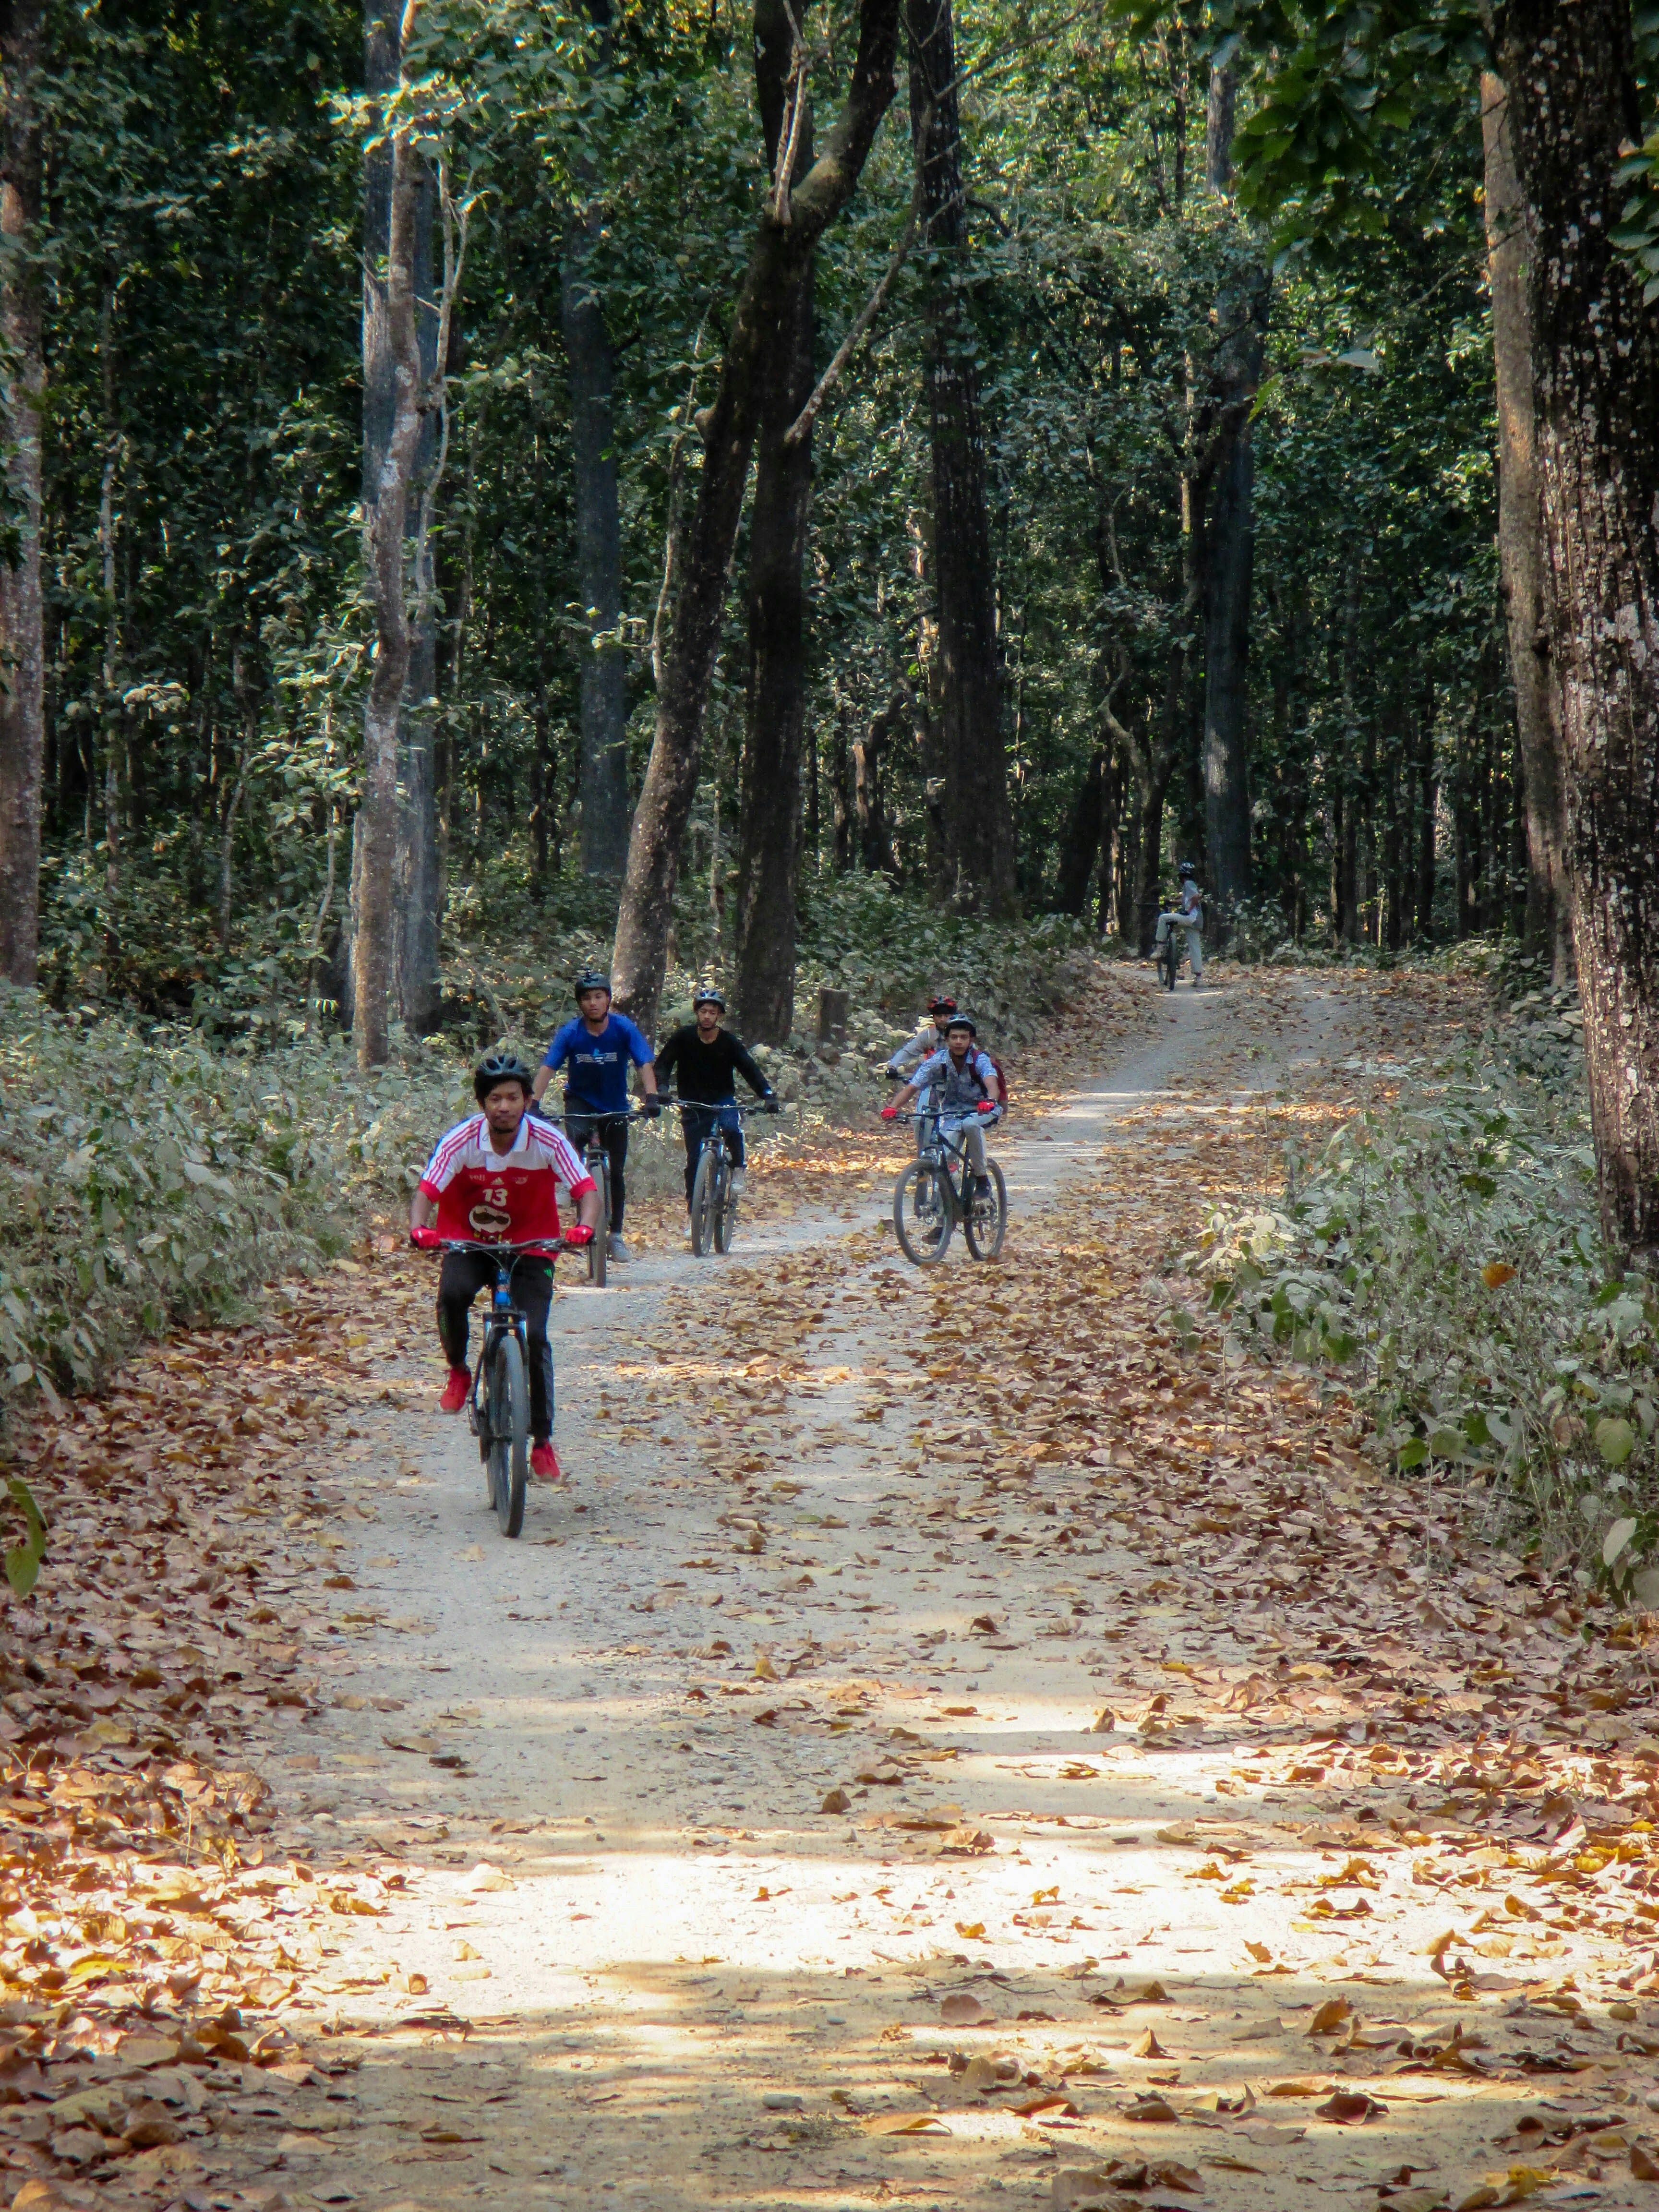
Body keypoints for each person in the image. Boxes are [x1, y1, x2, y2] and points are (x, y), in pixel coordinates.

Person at [409, 1053, 603, 1483]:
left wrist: (585, 1226)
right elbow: (428, 1189)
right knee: (453, 1294)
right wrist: (419, 1227)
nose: (505, 1107)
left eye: (514, 1098)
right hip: (470, 1243)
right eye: (495, 1099)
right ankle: (459, 1370)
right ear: (483, 1104)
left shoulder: (547, 1141)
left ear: (528, 1100)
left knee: (535, 1337)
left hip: (533, 1247)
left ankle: (544, 1442)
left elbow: (585, 1190)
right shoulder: (461, 1140)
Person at [532, 970, 658, 1263]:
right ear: (580, 1004)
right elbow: (548, 1067)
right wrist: (534, 1102)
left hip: (614, 1104)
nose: (593, 1003)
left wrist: (651, 1097)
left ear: (608, 1000)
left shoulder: (623, 1028)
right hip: (580, 1101)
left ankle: (615, 1235)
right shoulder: (571, 1033)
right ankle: (577, 1208)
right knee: (574, 1148)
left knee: (615, 1172)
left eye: (599, 997)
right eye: (587, 998)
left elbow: (644, 1062)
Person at [652, 986, 780, 1211]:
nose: (707, 1016)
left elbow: (749, 1069)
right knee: (693, 1162)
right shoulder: (683, 1037)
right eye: (704, 1012)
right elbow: (663, 1064)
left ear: (719, 1016)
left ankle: (738, 1169)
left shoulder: (728, 1042)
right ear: (697, 1013)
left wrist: (767, 1095)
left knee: (731, 1127)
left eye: (712, 1012)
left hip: (722, 1099)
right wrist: (662, 1089)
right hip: (692, 1103)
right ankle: (694, 1212)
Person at [881, 1012, 1001, 1197]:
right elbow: (913, 1086)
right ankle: (946, 1215)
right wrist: (893, 1107)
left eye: (963, 1037)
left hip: (982, 1109)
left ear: (971, 1040)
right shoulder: (938, 1061)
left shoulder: (979, 1059)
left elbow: (992, 1083)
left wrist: (990, 1101)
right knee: (945, 1158)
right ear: (946, 1040)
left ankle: (982, 1179)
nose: (959, 1042)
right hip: (951, 1114)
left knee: (970, 1125)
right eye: (954, 1037)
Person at [885, 994, 956, 1157]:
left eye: (947, 1016)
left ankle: (954, 1164)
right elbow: (908, 1051)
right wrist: (893, 1066)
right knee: (920, 1119)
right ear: (934, 1017)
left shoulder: (961, 1033)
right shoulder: (929, 1036)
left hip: (956, 1084)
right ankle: (924, 1159)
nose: (943, 1019)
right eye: (939, 1016)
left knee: (954, 1124)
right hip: (931, 1083)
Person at [1154, 863, 1205, 985]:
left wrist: (1187, 910)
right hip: (1197, 921)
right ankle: (1198, 978)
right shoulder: (1192, 885)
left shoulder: (1188, 884)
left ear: (1182, 875)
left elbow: (1196, 897)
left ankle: (1160, 948)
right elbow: (1185, 901)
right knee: (1195, 947)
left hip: (1189, 918)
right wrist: (1172, 902)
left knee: (1163, 918)